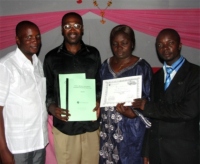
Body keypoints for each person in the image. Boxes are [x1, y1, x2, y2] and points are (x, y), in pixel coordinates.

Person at [132, 28, 200, 164]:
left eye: (170, 43)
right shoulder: (156, 77)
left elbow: (188, 111)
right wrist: (147, 151)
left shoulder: (195, 74)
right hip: (157, 153)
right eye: (160, 45)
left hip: (184, 153)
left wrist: (149, 107)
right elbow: (152, 121)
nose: (165, 48)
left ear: (179, 45)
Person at [43, 12, 101, 164]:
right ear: (62, 30)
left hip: (91, 125)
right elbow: (47, 89)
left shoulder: (94, 54)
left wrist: (99, 101)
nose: (72, 29)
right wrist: (51, 107)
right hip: (65, 126)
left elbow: (99, 84)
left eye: (76, 25)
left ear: (82, 29)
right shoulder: (51, 57)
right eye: (67, 26)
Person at [99, 25, 152, 164]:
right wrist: (98, 102)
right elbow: (100, 92)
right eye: (115, 44)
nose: (119, 47)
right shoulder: (105, 65)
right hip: (108, 128)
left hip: (131, 129)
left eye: (124, 43)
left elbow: (150, 99)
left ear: (132, 43)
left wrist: (135, 113)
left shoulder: (142, 67)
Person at [0, 21, 48, 164]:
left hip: (39, 141)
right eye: (29, 37)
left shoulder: (37, 63)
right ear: (17, 40)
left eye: (37, 36)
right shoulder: (5, 66)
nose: (35, 40)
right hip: (17, 146)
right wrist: (3, 150)